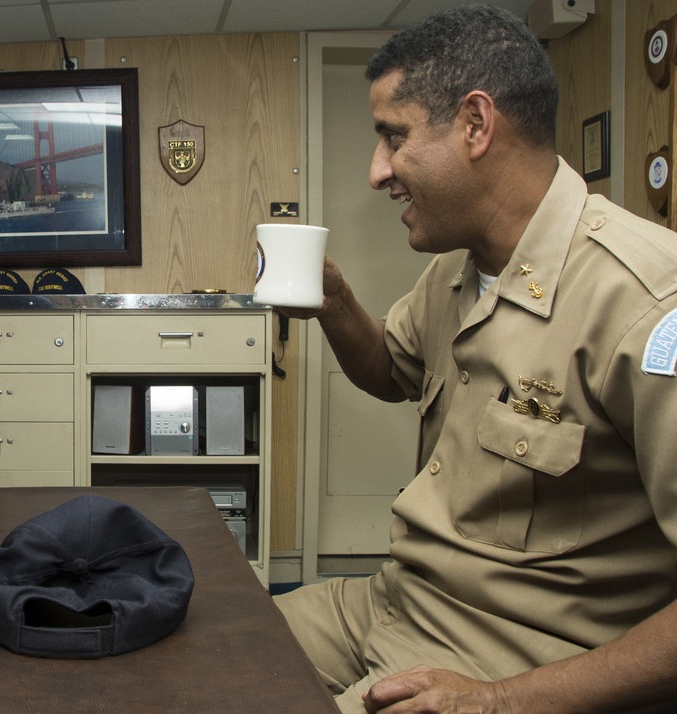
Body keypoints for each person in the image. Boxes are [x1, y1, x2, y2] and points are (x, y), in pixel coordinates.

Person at [275, 6, 677, 713]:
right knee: (206, 641)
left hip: (509, 659)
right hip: (397, 601)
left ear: (476, 124)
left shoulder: (643, 302)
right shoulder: (459, 271)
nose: (377, 172)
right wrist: (333, 302)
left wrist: (501, 701)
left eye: (392, 138)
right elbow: (392, 372)